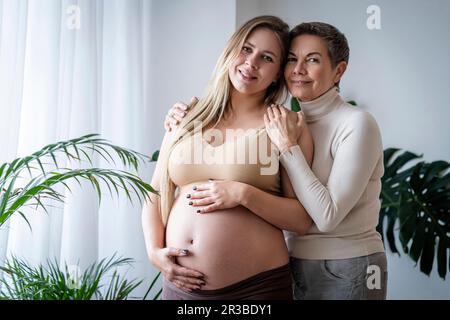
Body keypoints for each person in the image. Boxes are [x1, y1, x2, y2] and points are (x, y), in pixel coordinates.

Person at [165, 21, 387, 300]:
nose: (298, 70)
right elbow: (159, 188)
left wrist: (284, 149)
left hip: (346, 266)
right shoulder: (288, 121)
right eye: (292, 60)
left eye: (313, 60)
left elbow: (326, 217)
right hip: (296, 263)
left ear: (338, 70)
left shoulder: (355, 123)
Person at [141, 15, 313, 300]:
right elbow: (155, 190)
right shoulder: (187, 115)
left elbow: (301, 220)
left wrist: (243, 193)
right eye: (246, 49)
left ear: (277, 74)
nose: (251, 63)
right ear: (231, 51)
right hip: (181, 287)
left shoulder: (285, 125)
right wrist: (153, 252)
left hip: (256, 289)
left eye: (267, 57)